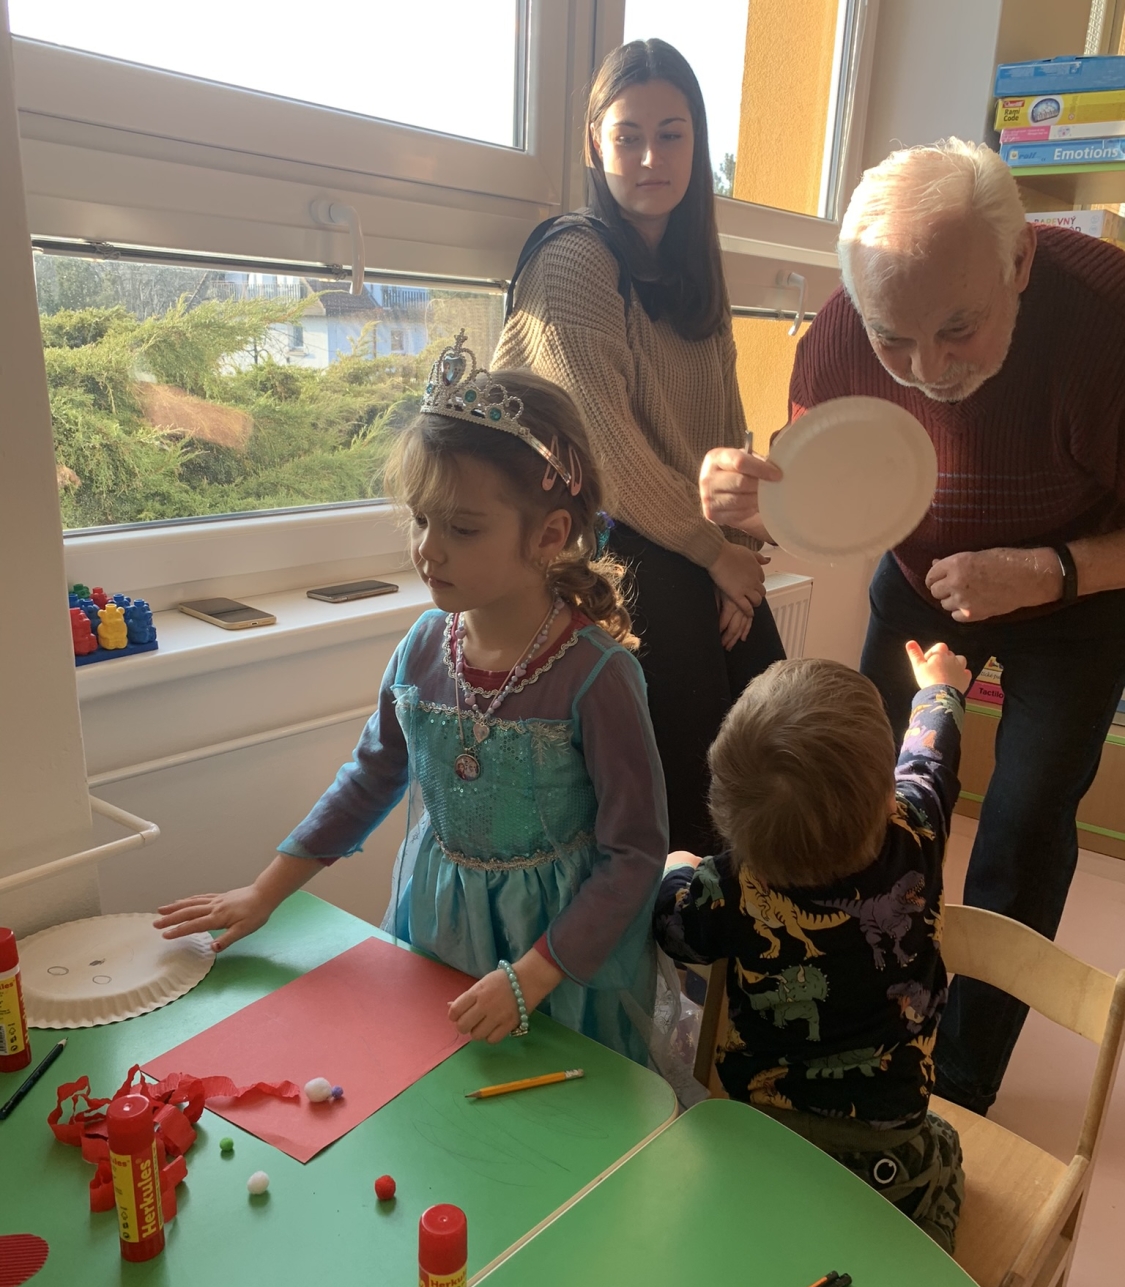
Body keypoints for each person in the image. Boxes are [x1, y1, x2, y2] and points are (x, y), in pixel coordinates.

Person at [699, 139, 1125, 1115]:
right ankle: (856, 1013)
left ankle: (964, 1082)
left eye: (958, 329)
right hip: (919, 578)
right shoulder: (839, 335)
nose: (928, 370)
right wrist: (743, 515)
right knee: (856, 790)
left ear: (1020, 261)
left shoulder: (1108, 321)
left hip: (1081, 590)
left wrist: (1052, 570)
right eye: (895, 338)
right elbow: (818, 492)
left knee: (1022, 823)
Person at [155, 342, 671, 1066]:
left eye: (462, 528)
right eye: (421, 520)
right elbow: (370, 778)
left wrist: (531, 976)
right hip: (438, 918)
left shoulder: (597, 675)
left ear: (550, 535)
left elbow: (635, 854)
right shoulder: (424, 646)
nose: (429, 550)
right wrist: (265, 892)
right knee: (430, 1081)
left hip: (554, 955)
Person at [493, 37, 785, 855]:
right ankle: (686, 914)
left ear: (696, 143)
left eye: (671, 134)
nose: (651, 157)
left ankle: (765, 909)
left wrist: (735, 552)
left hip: (684, 540)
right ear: (596, 144)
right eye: (628, 136)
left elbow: (723, 437)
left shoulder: (692, 272)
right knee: (693, 755)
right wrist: (714, 554)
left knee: (778, 716)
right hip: (599, 534)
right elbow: (605, 456)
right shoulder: (575, 258)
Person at [654, 642, 971, 1252]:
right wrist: (939, 688)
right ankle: (915, 1254)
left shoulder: (730, 886)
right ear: (885, 794)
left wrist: (677, 870)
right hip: (889, 1141)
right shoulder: (918, 826)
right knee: (945, 1147)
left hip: (759, 1135)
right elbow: (931, 753)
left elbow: (672, 928)